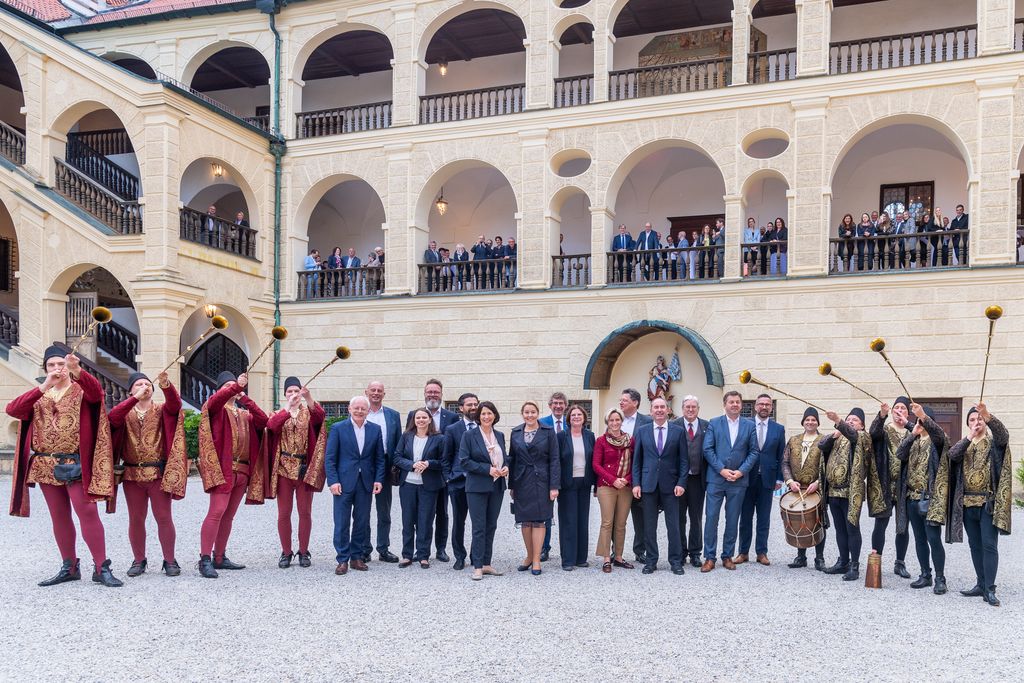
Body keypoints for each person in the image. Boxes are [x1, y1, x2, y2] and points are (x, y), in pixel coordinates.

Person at [7, 346, 121, 587]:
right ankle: (69, 566)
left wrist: (78, 369)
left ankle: (101, 567)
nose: (57, 369)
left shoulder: (81, 390)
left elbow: (97, 393)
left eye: (61, 364)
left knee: (87, 513)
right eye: (51, 365)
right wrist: (43, 386)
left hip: (75, 463)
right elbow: (13, 410)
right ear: (46, 369)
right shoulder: (40, 394)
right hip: (45, 464)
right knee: (59, 517)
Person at [108, 370, 187, 578]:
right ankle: (138, 559)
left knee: (163, 517)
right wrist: (134, 398)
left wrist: (166, 385)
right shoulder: (125, 412)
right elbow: (112, 419)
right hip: (132, 474)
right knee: (136, 518)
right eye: (138, 384)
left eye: (147, 384)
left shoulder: (161, 409)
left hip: (157, 473)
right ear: (131, 390)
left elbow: (175, 406)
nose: (144, 386)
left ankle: (169, 559)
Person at [196, 371, 268, 578]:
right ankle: (204, 559)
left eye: (233, 385)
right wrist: (235, 387)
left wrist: (244, 398)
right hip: (223, 470)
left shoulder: (244, 414)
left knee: (229, 516)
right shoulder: (215, 410)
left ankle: (220, 556)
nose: (232, 389)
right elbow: (215, 402)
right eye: (227, 386)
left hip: (243, 470)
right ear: (219, 390)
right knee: (216, 511)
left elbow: (263, 420)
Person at [947, 403, 1011, 607]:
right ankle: (980, 583)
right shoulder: (965, 444)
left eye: (979, 419)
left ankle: (990, 589)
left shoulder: (993, 443)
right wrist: (968, 437)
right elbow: (952, 456)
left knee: (989, 545)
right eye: (972, 420)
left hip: (987, 503)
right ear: (968, 424)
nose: (977, 422)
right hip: (967, 503)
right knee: (975, 545)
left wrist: (988, 416)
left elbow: (1003, 436)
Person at [264, 377, 326, 569]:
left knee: (305, 512)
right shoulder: (278, 413)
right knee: (284, 513)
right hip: (283, 468)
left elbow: (320, 417)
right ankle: (286, 551)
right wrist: (287, 409)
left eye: (296, 391)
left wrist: (309, 398)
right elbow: (272, 426)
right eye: (289, 391)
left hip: (303, 468)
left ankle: (304, 550)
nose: (293, 394)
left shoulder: (308, 412)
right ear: (284, 394)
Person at [325, 395, 384, 575]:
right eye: (356, 408)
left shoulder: (375, 429)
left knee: (361, 522)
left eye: (363, 408)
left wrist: (378, 479)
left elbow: (380, 458)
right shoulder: (338, 428)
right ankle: (342, 559)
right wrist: (333, 481)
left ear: (367, 411)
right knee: (341, 522)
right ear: (349, 409)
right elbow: (330, 458)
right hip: (342, 483)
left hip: (365, 483)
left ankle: (356, 557)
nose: (359, 411)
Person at [895, 403, 950, 595]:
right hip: (911, 497)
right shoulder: (915, 439)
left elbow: (939, 435)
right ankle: (925, 574)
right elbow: (899, 454)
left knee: (933, 539)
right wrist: (912, 433)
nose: (921, 422)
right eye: (919, 420)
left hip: (930, 499)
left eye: (925, 420)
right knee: (919, 539)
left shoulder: (938, 442)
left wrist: (923, 416)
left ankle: (940, 578)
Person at [701, 391, 759, 572]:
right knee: (711, 518)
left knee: (732, 519)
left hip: (738, 481)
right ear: (724, 404)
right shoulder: (714, 423)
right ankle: (709, 557)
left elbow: (754, 451)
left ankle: (727, 556)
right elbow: (707, 449)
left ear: (741, 405)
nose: (734, 404)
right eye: (731, 402)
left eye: (737, 402)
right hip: (716, 479)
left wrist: (741, 472)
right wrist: (721, 469)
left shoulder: (749, 426)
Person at [631, 397, 685, 575]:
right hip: (648, 485)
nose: (660, 410)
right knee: (649, 525)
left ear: (668, 410)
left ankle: (676, 561)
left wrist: (681, 483)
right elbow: (636, 460)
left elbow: (684, 461)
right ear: (651, 411)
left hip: (671, 486)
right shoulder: (642, 431)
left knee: (674, 525)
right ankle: (651, 561)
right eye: (656, 407)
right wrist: (636, 483)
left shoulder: (678, 431)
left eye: (663, 407)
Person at [409, 379, 459, 562]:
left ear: (441, 394)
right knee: (420, 513)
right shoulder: (414, 414)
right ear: (424, 393)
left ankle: (441, 549)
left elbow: (453, 446)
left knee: (442, 513)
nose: (432, 395)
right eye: (429, 392)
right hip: (420, 475)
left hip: (441, 473)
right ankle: (421, 550)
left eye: (436, 392)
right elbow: (409, 438)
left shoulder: (451, 417)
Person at [818, 408, 870, 581]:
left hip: (851, 491)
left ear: (862, 425)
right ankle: (843, 561)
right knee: (840, 529)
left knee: (851, 528)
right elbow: (821, 446)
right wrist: (835, 433)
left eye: (855, 420)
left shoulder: (862, 437)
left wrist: (840, 421)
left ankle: (854, 565)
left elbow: (853, 435)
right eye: (849, 419)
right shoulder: (838, 436)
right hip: (834, 491)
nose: (851, 422)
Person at [508, 401, 559, 575]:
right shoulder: (515, 433)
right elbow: (512, 460)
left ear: (538, 413)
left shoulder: (548, 431)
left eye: (533, 412)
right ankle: (529, 556)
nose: (529, 415)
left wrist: (554, 486)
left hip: (542, 482)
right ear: (522, 414)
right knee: (525, 520)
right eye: (526, 412)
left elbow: (554, 459)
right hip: (522, 482)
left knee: (538, 521)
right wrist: (511, 485)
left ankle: (537, 559)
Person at [458, 401, 507, 581]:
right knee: (479, 527)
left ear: (495, 415)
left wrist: (506, 467)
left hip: (497, 486)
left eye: (489, 413)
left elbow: (504, 457)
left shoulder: (500, 435)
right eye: (483, 414)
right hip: (477, 487)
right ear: (478, 416)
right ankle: (477, 566)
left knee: (491, 525)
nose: (486, 417)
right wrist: (487, 469)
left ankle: (487, 563)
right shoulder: (469, 436)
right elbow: (464, 460)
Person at [867, 397, 913, 579]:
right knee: (880, 524)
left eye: (903, 408)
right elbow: (873, 432)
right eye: (897, 408)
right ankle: (875, 563)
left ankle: (899, 563)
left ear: (907, 413)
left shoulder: (912, 431)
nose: (900, 410)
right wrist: (882, 415)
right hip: (884, 484)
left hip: (904, 486)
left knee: (903, 526)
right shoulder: (885, 430)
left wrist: (909, 425)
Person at [737, 393, 784, 566]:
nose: (764, 407)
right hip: (747, 478)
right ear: (755, 406)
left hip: (768, 479)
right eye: (761, 404)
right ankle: (743, 552)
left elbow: (781, 456)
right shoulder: (745, 424)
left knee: (764, 518)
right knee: (745, 517)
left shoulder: (778, 429)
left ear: (771, 408)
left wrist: (780, 478)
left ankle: (761, 552)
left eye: (768, 404)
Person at [394, 408, 445, 568]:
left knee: (425, 520)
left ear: (430, 420)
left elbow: (444, 461)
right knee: (408, 520)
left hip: (428, 485)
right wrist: (412, 465)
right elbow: (397, 457)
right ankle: (407, 555)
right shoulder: (406, 436)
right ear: (414, 420)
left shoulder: (439, 439)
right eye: (418, 418)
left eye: (424, 417)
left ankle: (423, 555)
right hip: (408, 484)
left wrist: (428, 463)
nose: (421, 420)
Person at [781, 408, 828, 570]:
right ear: (803, 422)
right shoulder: (793, 440)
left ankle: (819, 558)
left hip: (816, 489)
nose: (810, 422)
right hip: (797, 488)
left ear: (818, 423)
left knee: (818, 521)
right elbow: (785, 462)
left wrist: (818, 483)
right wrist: (789, 481)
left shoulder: (824, 440)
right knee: (800, 521)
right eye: (807, 419)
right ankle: (801, 557)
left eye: (813, 420)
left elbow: (828, 466)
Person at [363, 381, 402, 564]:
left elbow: (398, 443)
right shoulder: (359, 411)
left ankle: (383, 548)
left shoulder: (393, 416)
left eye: (379, 391)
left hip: (385, 465)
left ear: (384, 394)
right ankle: (364, 548)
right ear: (366, 392)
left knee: (384, 510)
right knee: (363, 510)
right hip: (364, 465)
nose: (376, 393)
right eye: (373, 390)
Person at [592, 409, 635, 573]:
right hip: (606, 486)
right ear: (607, 422)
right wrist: (613, 480)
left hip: (625, 487)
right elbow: (596, 465)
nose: (615, 423)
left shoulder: (630, 441)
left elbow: (635, 462)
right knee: (607, 522)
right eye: (611, 420)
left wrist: (627, 479)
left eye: (617, 420)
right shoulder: (601, 441)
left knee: (621, 523)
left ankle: (618, 556)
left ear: (621, 421)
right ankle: (606, 558)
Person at [442, 392, 479, 570]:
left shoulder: (484, 426)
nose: (473, 407)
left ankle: (476, 555)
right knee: (459, 521)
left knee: (478, 522)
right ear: (461, 408)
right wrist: (448, 477)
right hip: (458, 482)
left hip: (479, 482)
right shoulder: (452, 429)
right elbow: (446, 457)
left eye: (475, 404)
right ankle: (459, 556)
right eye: (469, 404)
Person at [671, 396, 708, 567]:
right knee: (679, 518)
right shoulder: (674, 426)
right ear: (682, 408)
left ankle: (695, 553)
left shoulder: (707, 426)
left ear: (698, 408)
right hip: (679, 480)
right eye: (687, 407)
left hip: (698, 479)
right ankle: (680, 552)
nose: (691, 410)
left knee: (696, 518)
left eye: (694, 407)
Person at [557, 405, 595, 571]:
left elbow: (593, 460)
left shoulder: (590, 435)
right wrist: (555, 485)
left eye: (579, 414)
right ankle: (568, 559)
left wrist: (596, 484)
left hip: (585, 483)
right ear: (569, 418)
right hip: (567, 484)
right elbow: (556, 461)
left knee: (582, 520)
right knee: (568, 521)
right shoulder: (561, 436)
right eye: (573, 415)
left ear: (584, 418)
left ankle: (581, 558)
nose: (577, 417)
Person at [619, 388, 652, 563]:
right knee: (618, 517)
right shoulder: (615, 419)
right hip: (619, 478)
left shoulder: (647, 421)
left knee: (641, 517)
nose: (621, 402)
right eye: (620, 400)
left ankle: (640, 550)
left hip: (640, 477)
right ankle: (616, 551)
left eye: (624, 400)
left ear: (635, 402)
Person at [538, 392, 569, 560]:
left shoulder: (571, 423)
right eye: (555, 403)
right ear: (550, 405)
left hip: (567, 476)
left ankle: (567, 547)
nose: (558, 406)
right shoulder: (542, 423)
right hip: (547, 475)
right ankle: (544, 547)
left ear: (565, 406)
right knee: (546, 514)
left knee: (566, 513)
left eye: (561, 403)